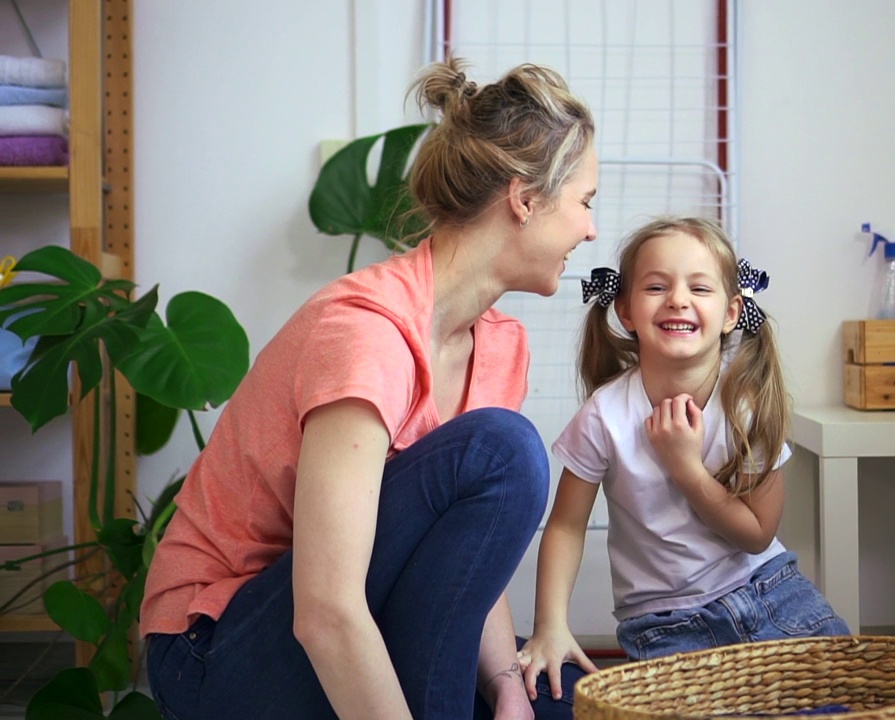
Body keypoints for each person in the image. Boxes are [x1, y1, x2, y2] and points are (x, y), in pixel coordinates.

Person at [140, 56, 598, 720]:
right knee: (506, 450)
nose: (590, 229)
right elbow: (325, 611)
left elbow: (467, 559)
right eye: (585, 202)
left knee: (570, 706)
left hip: (355, 616)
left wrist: (504, 685)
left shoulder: (501, 345)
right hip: (215, 649)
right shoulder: (365, 333)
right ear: (525, 200)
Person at [517, 217, 850, 701]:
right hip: (665, 628)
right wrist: (550, 627)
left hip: (770, 596)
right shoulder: (605, 415)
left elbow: (757, 535)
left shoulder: (745, 408)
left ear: (732, 312)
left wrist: (686, 468)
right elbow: (566, 525)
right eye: (656, 286)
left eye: (699, 287)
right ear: (626, 310)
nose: (677, 299)